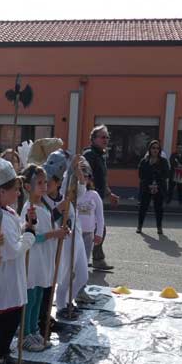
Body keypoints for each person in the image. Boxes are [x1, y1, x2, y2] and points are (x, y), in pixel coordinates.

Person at [0, 154, 35, 364]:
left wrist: (26, 227)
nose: (18, 193)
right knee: (2, 321)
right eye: (14, 189)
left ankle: (3, 354)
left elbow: (16, 233)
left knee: (12, 317)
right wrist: (30, 237)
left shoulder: (7, 211)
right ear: (1, 192)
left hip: (12, 276)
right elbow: (13, 250)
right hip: (2, 277)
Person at [21, 163, 67, 351]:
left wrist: (60, 230)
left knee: (39, 296)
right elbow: (32, 236)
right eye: (39, 182)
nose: (44, 186)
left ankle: (34, 330)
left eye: (45, 182)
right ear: (27, 186)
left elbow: (49, 226)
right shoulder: (29, 208)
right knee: (31, 297)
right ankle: (25, 334)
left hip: (45, 258)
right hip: (34, 259)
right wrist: (53, 235)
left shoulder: (44, 205)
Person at [44, 150, 91, 313]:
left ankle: (67, 300)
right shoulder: (43, 197)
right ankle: (62, 306)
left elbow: (81, 190)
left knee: (82, 275)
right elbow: (46, 219)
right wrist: (59, 208)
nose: (51, 183)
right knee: (64, 275)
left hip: (75, 235)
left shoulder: (65, 188)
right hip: (61, 240)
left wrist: (76, 169)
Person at [82, 125, 119, 271]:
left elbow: (101, 179)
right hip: (88, 198)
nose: (106, 140)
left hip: (96, 197)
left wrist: (109, 194)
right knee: (95, 229)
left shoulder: (100, 155)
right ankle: (95, 259)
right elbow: (84, 176)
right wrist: (88, 194)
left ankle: (90, 258)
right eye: (102, 137)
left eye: (107, 137)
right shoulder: (90, 155)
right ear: (93, 139)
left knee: (96, 229)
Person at [137, 139, 170, 235]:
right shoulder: (144, 161)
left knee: (159, 208)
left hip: (159, 188)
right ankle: (139, 226)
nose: (155, 150)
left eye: (157, 148)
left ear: (159, 150)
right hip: (146, 188)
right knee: (143, 207)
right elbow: (141, 175)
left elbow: (167, 174)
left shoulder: (163, 161)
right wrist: (149, 184)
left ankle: (159, 227)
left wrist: (157, 183)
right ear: (149, 149)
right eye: (153, 148)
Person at [79, 169, 105, 268]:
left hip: (89, 233)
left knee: (85, 259)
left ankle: (82, 280)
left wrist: (99, 233)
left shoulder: (94, 195)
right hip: (74, 232)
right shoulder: (72, 194)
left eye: (85, 177)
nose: (83, 179)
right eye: (80, 176)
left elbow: (100, 216)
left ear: (89, 179)